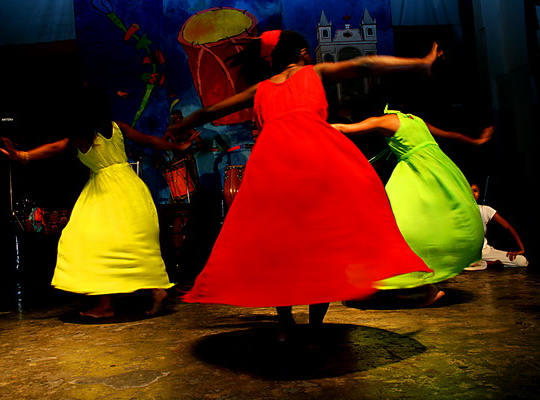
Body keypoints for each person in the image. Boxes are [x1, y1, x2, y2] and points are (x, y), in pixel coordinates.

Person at [166, 30, 442, 325]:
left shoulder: (261, 88)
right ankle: (315, 325)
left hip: (274, 163)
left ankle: (285, 324)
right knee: (321, 242)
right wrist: (420, 62)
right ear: (300, 52)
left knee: (281, 245)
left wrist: (184, 125)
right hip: (316, 156)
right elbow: (367, 64)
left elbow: (210, 111)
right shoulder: (315, 72)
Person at [0, 85, 197, 319]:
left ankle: (107, 305)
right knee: (130, 244)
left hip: (107, 189)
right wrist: (177, 147)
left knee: (92, 243)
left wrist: (24, 155)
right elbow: (151, 141)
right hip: (132, 189)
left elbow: (56, 147)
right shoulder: (118, 128)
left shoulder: (85, 136)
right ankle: (155, 290)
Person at [333, 108, 492, 305]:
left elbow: (343, 128)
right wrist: (477, 142)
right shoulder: (418, 121)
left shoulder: (387, 121)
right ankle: (417, 281)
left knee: (396, 223)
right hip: (442, 170)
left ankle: (412, 282)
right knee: (433, 218)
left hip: (417, 171)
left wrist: (302, 126)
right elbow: (452, 135)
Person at [465, 183, 529, 270]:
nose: (473, 194)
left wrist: (522, 249)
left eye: (475, 191)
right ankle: (488, 264)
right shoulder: (456, 211)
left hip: (484, 252)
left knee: (521, 261)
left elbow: (508, 227)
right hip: (465, 253)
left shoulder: (485, 210)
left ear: (479, 193)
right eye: (469, 191)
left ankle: (481, 264)